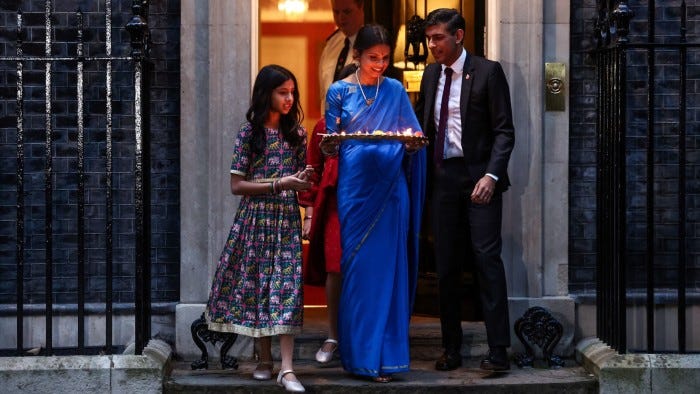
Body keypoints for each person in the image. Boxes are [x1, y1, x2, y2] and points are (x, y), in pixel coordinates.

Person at [323, 24, 427, 382]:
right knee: (358, 273)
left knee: (388, 274)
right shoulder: (338, 91)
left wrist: (413, 145)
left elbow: (412, 133)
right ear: (356, 56)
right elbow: (331, 140)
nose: (381, 64)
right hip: (356, 187)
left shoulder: (396, 90)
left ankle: (385, 358)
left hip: (390, 187)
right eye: (373, 58)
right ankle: (358, 357)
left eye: (384, 58)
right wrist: (329, 144)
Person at [415, 8, 515, 372]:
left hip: (479, 180)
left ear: (458, 36)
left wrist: (490, 176)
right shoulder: (429, 75)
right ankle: (450, 348)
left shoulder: (488, 72)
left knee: (487, 262)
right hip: (442, 179)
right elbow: (421, 122)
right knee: (446, 268)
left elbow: (505, 131)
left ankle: (499, 351)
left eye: (438, 37)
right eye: (429, 38)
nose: (431, 45)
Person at [205, 64, 313, 393]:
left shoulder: (298, 134)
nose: (290, 98)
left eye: (292, 92)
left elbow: (303, 183)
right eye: (283, 92)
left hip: (286, 223)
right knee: (259, 286)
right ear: (266, 94)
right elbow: (236, 186)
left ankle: (288, 368)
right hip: (256, 220)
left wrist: (307, 206)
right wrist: (280, 184)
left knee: (287, 287)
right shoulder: (249, 134)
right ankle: (264, 360)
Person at [297, 117, 343, 364]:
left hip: (369, 200)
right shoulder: (325, 126)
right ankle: (333, 335)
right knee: (335, 266)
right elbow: (313, 167)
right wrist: (310, 214)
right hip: (333, 202)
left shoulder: (377, 120)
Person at [318, 0, 365, 113]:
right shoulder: (331, 45)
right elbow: (324, 95)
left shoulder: (372, 45)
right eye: (336, 12)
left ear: (361, 8)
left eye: (347, 12)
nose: (340, 18)